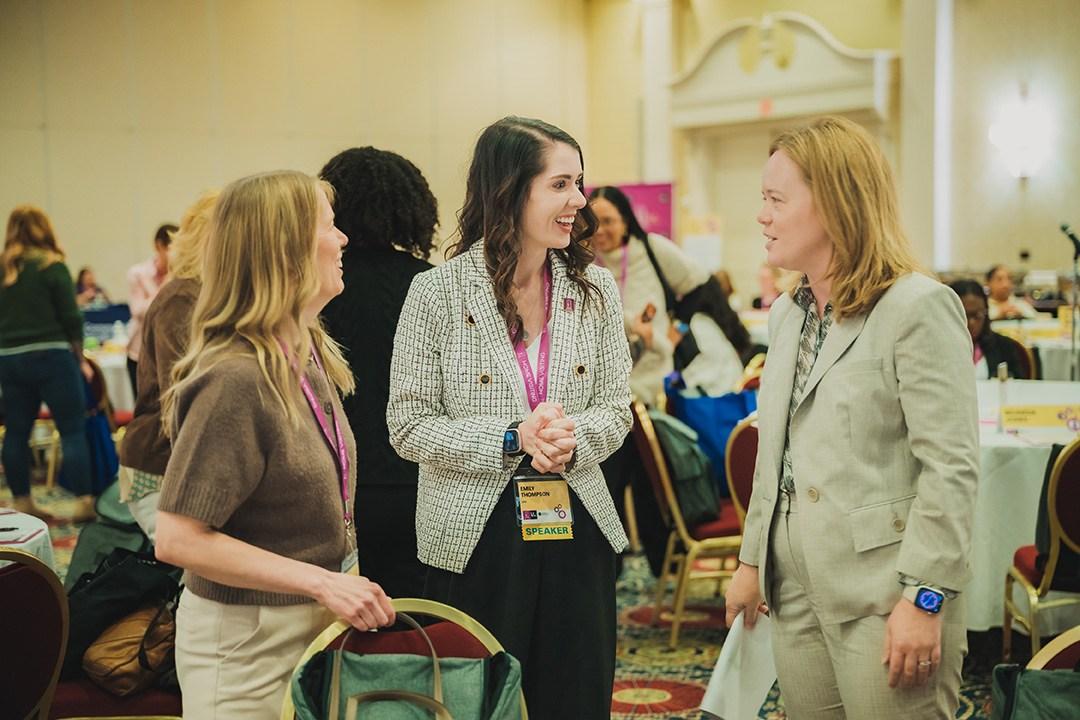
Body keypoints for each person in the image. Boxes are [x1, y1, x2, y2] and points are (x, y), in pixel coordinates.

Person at [724, 116, 978, 718]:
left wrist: (926, 598)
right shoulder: (789, 313)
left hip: (886, 594)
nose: (761, 215)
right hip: (796, 589)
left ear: (835, 203)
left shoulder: (916, 307)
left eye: (775, 199)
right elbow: (775, 454)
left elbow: (951, 468)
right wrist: (751, 560)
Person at [387, 116, 632, 718]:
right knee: (482, 699)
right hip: (477, 536)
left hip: (575, 518)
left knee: (575, 693)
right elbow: (407, 424)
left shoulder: (594, 288)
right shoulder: (437, 292)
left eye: (581, 183)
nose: (580, 200)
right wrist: (509, 436)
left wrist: (572, 439)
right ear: (510, 189)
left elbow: (616, 409)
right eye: (561, 184)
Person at [154, 171, 393, 717]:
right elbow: (178, 538)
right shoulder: (235, 377)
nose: (343, 240)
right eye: (330, 227)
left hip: (309, 624)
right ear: (286, 250)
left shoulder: (307, 354)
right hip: (249, 643)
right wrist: (321, 582)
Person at [319, 147, 437, 599]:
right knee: (419, 615)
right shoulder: (431, 284)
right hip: (418, 476)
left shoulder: (322, 288)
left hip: (338, 477)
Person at [117, 190, 218, 542]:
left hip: (178, 461)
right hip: (160, 465)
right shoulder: (182, 297)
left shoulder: (202, 295)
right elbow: (182, 397)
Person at [0, 206, 96, 522]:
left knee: (16, 432)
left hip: (10, 359)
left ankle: (23, 500)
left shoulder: (4, 270)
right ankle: (84, 502)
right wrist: (80, 359)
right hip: (52, 357)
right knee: (71, 430)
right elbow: (72, 319)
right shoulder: (52, 267)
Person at [588, 184, 707, 404]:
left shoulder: (651, 248)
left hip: (654, 377)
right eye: (593, 222)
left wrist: (675, 334)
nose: (599, 231)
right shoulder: (586, 263)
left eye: (608, 221)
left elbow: (697, 285)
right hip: (608, 383)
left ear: (624, 222)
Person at [670, 277, 750, 395]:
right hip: (729, 386)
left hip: (720, 392)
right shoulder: (710, 320)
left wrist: (676, 378)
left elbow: (707, 362)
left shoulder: (699, 322)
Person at [126, 223, 175, 394]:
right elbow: (138, 311)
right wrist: (167, 287)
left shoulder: (180, 275)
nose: (173, 253)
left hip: (169, 355)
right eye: (169, 247)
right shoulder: (138, 273)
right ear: (158, 246)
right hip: (139, 353)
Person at [949, 279, 1026, 379]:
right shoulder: (937, 352)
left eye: (977, 315)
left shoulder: (1005, 347)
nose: (971, 322)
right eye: (965, 316)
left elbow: (1017, 387)